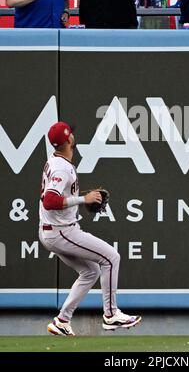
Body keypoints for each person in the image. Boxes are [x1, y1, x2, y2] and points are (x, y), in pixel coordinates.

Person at [40, 121, 142, 336]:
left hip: (52, 230)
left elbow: (54, 197)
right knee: (111, 258)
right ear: (69, 140)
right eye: (71, 135)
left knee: (90, 271)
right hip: (62, 231)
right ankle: (111, 314)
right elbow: (50, 200)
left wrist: (80, 199)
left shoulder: (56, 161)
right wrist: (82, 199)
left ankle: (62, 320)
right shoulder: (61, 167)